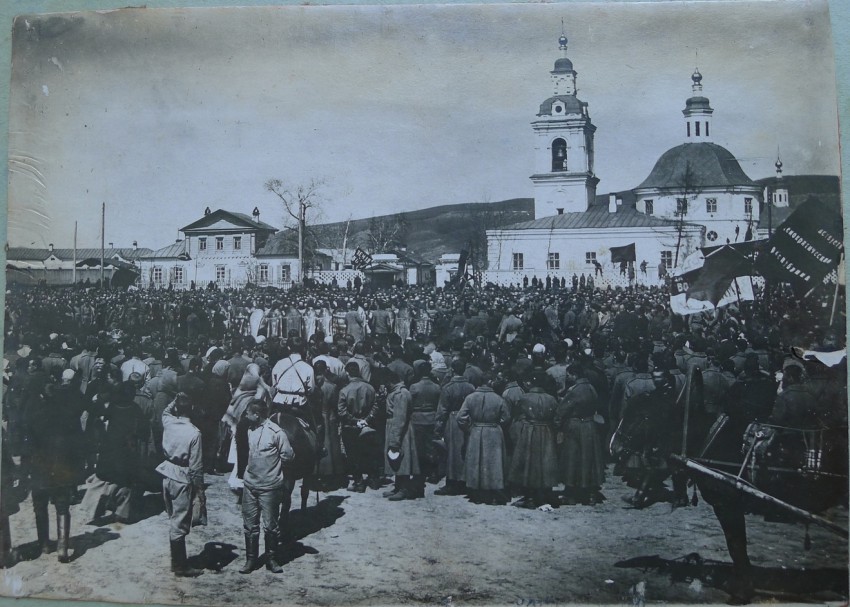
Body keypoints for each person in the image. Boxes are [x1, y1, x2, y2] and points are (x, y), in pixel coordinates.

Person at [22, 368, 86, 562]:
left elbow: (27, 446)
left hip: (39, 468)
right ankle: (62, 548)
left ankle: (44, 544)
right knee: (62, 506)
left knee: (40, 506)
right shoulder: (67, 417)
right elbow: (76, 444)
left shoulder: (33, 416)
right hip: (62, 468)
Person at [239, 399, 294, 574]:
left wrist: (274, 472)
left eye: (248, 413)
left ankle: (271, 559)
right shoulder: (249, 430)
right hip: (250, 485)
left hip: (270, 488)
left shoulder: (277, 433)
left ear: (257, 414)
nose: (245, 416)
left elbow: (288, 456)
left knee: (271, 526)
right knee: (249, 525)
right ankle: (251, 560)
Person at [155, 392, 204, 578]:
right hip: (182, 477)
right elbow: (196, 467)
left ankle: (178, 562)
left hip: (166, 472)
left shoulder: (168, 422)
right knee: (179, 521)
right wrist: (200, 490)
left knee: (173, 516)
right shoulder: (194, 433)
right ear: (191, 409)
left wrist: (176, 399)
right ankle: (180, 566)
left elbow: (166, 411)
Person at [554, 364, 605, 505]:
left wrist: (557, 424)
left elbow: (562, 410)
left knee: (572, 459)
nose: (568, 377)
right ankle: (590, 493)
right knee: (589, 459)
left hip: (575, 426)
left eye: (569, 375)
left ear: (574, 375)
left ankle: (570, 493)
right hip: (590, 425)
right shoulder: (591, 388)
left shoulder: (574, 391)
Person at [508, 370, 558, 508]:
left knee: (530, 462)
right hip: (547, 430)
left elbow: (517, 414)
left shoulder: (525, 398)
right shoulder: (551, 398)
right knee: (545, 462)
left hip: (530, 430)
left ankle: (530, 497)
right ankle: (545, 494)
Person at [456, 378, 511, 505]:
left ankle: (478, 492)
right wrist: (498, 425)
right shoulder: (498, 398)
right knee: (493, 462)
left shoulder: (470, 397)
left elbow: (460, 417)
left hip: (476, 430)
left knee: (477, 461)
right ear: (490, 383)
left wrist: (469, 428)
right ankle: (493, 491)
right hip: (493, 431)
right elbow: (506, 417)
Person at [433, 358, 475, 496]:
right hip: (467, 420)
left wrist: (438, 428)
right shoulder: (471, 387)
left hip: (452, 420)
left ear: (452, 370)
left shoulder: (448, 388)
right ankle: (464, 481)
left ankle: (451, 483)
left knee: (452, 453)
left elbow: (442, 410)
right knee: (464, 451)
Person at [337, 362, 380, 493]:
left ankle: (359, 482)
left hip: (350, 427)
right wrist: (366, 420)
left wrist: (356, 421)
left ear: (348, 373)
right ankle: (373, 479)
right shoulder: (370, 388)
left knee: (353, 455)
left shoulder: (344, 390)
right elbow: (376, 406)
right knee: (369, 452)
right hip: (368, 425)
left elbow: (342, 412)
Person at [382, 371, 421, 501]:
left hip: (400, 430)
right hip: (394, 427)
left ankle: (404, 488)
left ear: (391, 381)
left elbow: (400, 418)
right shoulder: (396, 392)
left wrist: (395, 440)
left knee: (402, 457)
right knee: (396, 459)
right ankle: (398, 486)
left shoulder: (401, 394)